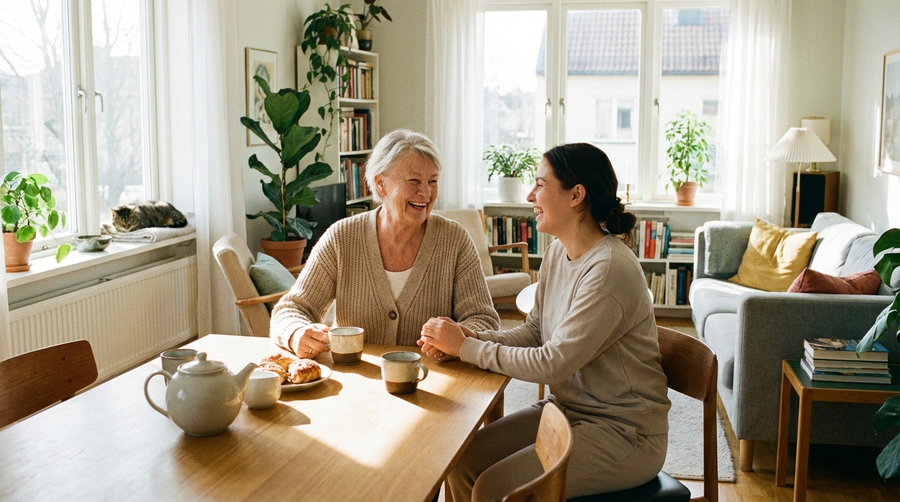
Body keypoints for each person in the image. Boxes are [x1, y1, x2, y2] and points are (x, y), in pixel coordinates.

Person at [419, 143, 670, 501]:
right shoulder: (557, 252)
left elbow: (553, 364)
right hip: (568, 410)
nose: (529, 194)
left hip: (624, 432)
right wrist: (472, 337)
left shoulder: (610, 268)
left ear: (576, 196)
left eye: (539, 184)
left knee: (494, 487)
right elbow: (535, 332)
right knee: (461, 462)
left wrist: (467, 348)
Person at [270, 129, 499, 357]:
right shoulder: (342, 237)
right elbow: (292, 308)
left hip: (436, 380)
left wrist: (460, 341)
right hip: (359, 383)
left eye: (433, 181)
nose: (427, 193)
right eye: (414, 181)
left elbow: (483, 319)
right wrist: (295, 333)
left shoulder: (454, 240)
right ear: (381, 183)